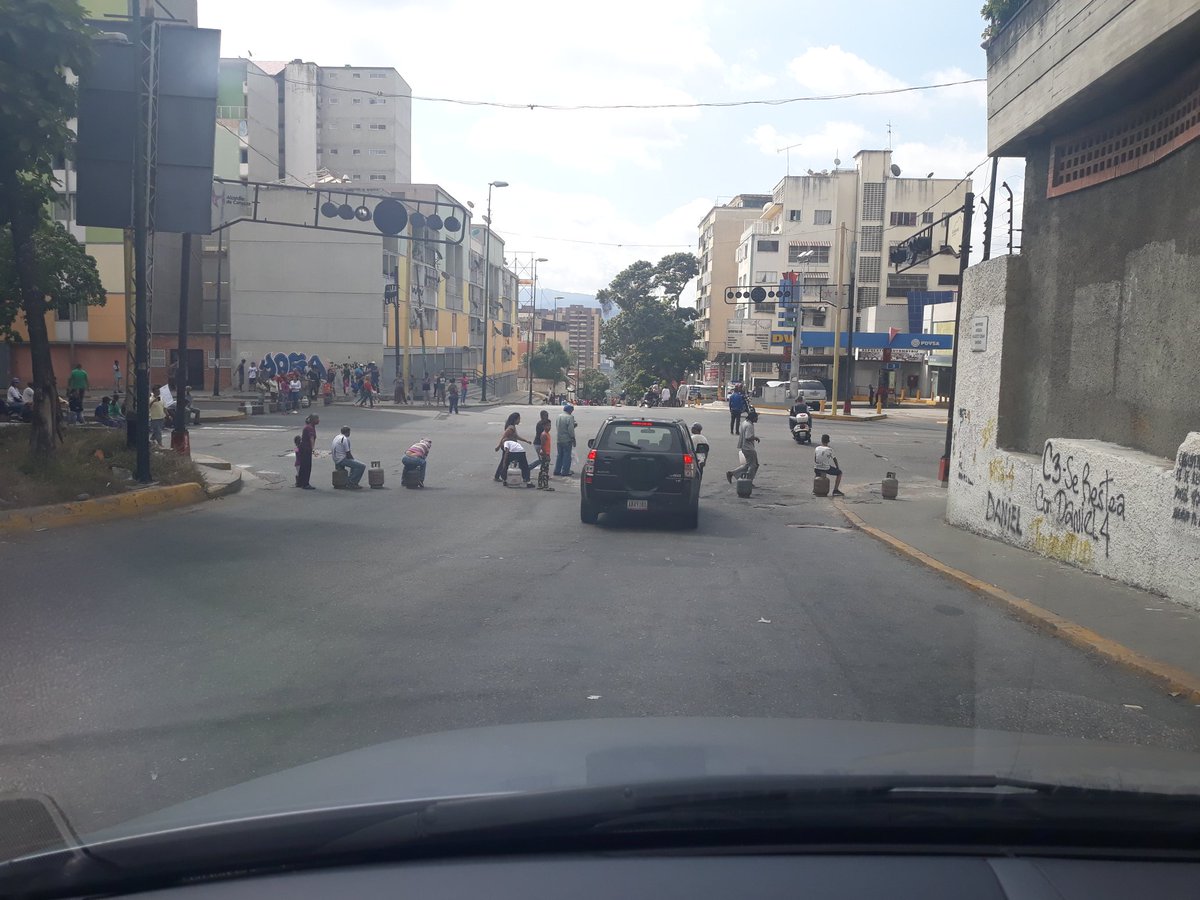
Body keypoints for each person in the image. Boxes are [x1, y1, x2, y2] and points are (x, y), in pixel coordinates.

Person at [494, 412, 533, 485]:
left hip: (510, 447)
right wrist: (498, 446)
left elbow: (516, 437)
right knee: (505, 462)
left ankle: (501, 476)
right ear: (515, 420)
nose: (519, 421)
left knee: (505, 462)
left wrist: (526, 441)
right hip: (508, 448)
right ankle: (504, 477)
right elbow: (504, 437)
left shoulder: (513, 427)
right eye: (519, 419)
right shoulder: (511, 428)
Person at [726, 408, 760, 484]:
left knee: (750, 464)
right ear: (753, 418)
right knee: (753, 465)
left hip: (744, 447)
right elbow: (748, 437)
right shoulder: (749, 425)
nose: (757, 419)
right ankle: (748, 481)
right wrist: (755, 438)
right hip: (749, 448)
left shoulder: (745, 422)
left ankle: (733, 473)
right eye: (756, 417)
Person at [554, 403, 577, 477]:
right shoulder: (570, 417)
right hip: (567, 439)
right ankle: (565, 471)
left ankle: (557, 470)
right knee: (567, 456)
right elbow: (570, 430)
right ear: (570, 410)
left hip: (559, 439)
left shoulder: (559, 416)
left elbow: (557, 426)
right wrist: (573, 438)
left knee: (559, 455)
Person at [296, 414, 318, 489]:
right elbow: (311, 439)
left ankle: (300, 482)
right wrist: (313, 449)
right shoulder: (310, 428)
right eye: (317, 419)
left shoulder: (309, 426)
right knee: (307, 467)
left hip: (303, 448)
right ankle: (305, 484)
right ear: (313, 420)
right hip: (306, 449)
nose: (318, 420)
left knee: (303, 466)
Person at [535, 422, 554, 490]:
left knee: (542, 470)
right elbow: (542, 446)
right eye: (547, 426)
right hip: (545, 454)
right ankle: (545, 485)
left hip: (545, 453)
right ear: (544, 426)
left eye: (550, 426)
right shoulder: (544, 435)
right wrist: (546, 455)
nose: (549, 427)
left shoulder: (547, 434)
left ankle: (540, 484)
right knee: (545, 471)